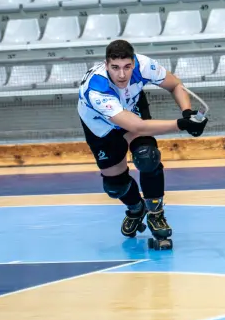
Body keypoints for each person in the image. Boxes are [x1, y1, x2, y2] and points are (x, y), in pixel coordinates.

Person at [77, 39, 208, 248]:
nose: (122, 75)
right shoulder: (97, 89)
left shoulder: (144, 65)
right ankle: (136, 209)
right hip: (102, 127)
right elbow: (137, 127)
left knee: (147, 156)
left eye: (127, 67)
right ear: (106, 64)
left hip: (131, 107)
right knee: (114, 187)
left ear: (134, 63)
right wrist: (182, 125)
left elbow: (175, 85)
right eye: (115, 68)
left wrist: (187, 112)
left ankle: (156, 214)